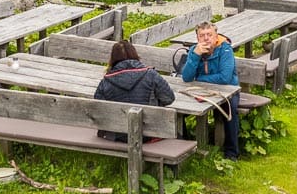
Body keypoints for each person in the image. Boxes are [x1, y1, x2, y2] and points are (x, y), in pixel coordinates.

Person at [93, 41, 176, 141]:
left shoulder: (105, 81)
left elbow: (98, 108)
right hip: (148, 133)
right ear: (135, 54)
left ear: (113, 58)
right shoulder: (150, 74)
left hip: (117, 134)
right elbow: (169, 98)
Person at [180, 21, 240, 160]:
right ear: (197, 39)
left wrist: (200, 78)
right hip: (200, 91)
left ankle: (231, 153)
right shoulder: (195, 50)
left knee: (231, 109)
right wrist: (195, 56)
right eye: (202, 36)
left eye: (209, 35)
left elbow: (225, 77)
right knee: (179, 110)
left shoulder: (225, 49)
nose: (206, 38)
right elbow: (187, 77)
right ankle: (187, 147)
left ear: (216, 36)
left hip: (228, 90)